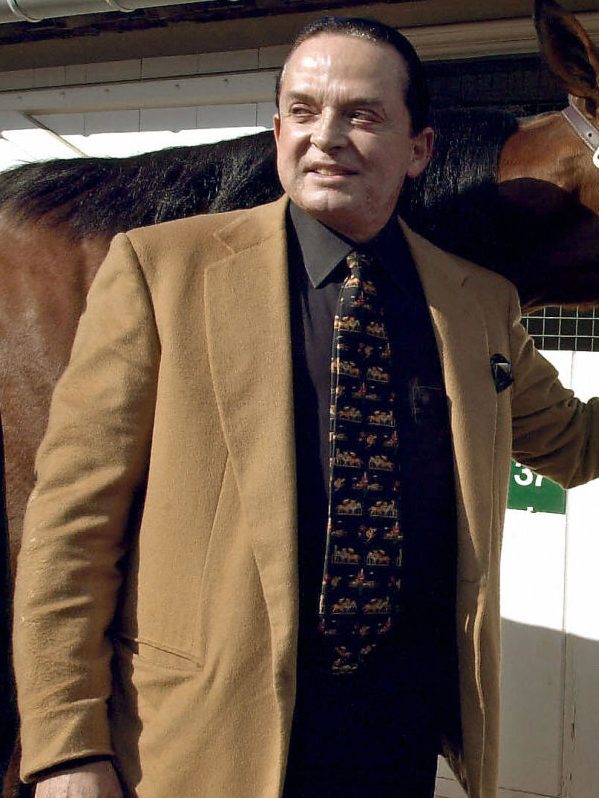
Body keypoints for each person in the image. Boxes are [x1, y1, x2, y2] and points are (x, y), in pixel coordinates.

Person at [12, 15, 599, 798]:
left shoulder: (475, 305)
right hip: (202, 745)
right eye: (301, 110)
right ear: (278, 128)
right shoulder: (161, 273)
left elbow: (574, 445)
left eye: (361, 115)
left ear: (419, 148)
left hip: (393, 739)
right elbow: (71, 529)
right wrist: (64, 747)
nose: (325, 137)